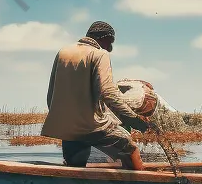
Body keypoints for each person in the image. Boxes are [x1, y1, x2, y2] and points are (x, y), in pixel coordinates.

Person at [42, 21, 149, 170]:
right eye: (110, 43)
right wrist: (132, 118)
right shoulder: (99, 54)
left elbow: (51, 93)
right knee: (131, 151)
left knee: (75, 168)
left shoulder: (63, 52)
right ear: (104, 38)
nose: (110, 48)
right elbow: (108, 92)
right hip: (92, 127)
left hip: (66, 129)